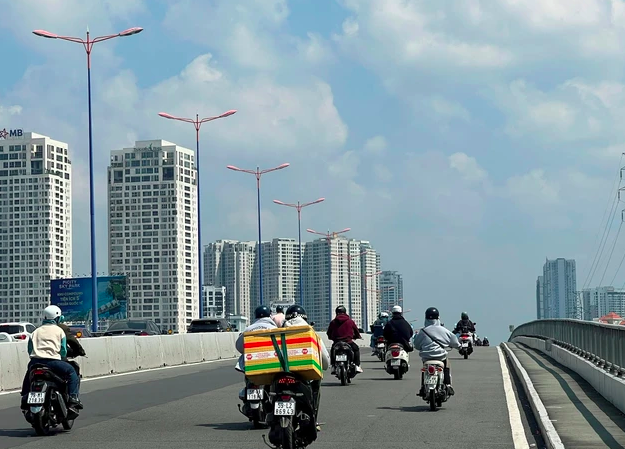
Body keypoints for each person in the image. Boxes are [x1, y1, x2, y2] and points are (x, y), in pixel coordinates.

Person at [20, 305, 82, 411]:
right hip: (53, 362)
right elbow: (63, 351)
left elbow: (30, 350)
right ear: (58, 318)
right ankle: (73, 398)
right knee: (71, 372)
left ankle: (25, 396)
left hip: (35, 362)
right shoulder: (59, 331)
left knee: (29, 375)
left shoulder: (35, 331)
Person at [282, 304, 329, 433]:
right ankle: (313, 418)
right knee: (316, 383)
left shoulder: (278, 332)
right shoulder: (311, 333)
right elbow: (325, 361)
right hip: (304, 375)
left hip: (281, 373)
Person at [412, 307, 460, 396]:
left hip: (426, 357)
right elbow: (454, 341)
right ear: (438, 317)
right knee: (447, 364)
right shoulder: (443, 330)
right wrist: (458, 347)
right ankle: (448, 385)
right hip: (440, 356)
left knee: (425, 368)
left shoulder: (423, 331)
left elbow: (416, 345)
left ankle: (423, 387)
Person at [326, 305, 363, 374]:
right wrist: (357, 336)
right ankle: (357, 365)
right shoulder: (350, 321)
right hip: (348, 342)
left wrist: (331, 337)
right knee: (356, 349)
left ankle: (333, 366)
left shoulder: (333, 322)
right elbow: (356, 331)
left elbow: (329, 333)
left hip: (337, 342)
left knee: (333, 351)